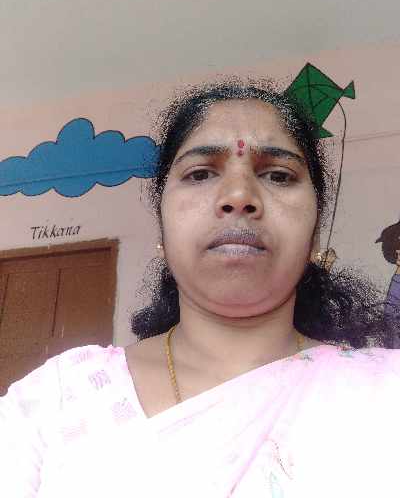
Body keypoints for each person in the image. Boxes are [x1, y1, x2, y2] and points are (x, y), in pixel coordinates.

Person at [2, 78, 400, 497]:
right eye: (200, 173)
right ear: (162, 229)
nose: (239, 195)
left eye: (279, 175)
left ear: (315, 232)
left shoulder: (384, 390)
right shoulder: (58, 399)